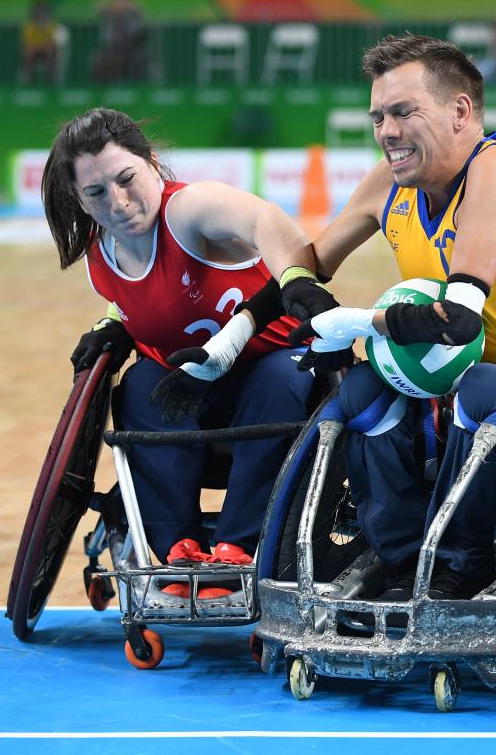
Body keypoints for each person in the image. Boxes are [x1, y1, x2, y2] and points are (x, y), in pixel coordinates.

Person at [290, 35, 496, 601]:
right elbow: (312, 259)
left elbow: (457, 323)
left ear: (460, 111)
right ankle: (400, 564)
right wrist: (293, 288)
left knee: (482, 384)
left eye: (403, 112)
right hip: (448, 403)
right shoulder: (388, 182)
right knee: (363, 391)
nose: (387, 132)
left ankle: (457, 567)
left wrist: (350, 322)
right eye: (378, 117)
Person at [42, 107, 321, 574]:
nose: (118, 201)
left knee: (279, 374)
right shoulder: (100, 257)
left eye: (127, 178)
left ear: (151, 162)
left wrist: (293, 279)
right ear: (80, 199)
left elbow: (267, 220)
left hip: (272, 380)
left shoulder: (188, 210)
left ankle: (241, 544)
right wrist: (114, 323)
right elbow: (143, 299)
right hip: (191, 395)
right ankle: (179, 548)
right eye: (96, 192)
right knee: (138, 384)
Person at [91, 0, 147, 84]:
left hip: (132, 48)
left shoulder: (133, 11)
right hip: (112, 48)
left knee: (136, 59)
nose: (122, 1)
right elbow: (98, 5)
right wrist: (113, 7)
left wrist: (128, 7)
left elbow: (141, 9)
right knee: (100, 61)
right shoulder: (110, 10)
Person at [20, 0, 59, 85]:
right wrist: (37, 47)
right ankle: (27, 81)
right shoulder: (29, 27)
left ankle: (51, 82)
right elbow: (28, 43)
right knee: (28, 52)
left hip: (48, 53)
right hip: (34, 52)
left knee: (51, 50)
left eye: (42, 11)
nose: (40, 14)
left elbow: (52, 42)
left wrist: (43, 46)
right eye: (38, 11)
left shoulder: (52, 26)